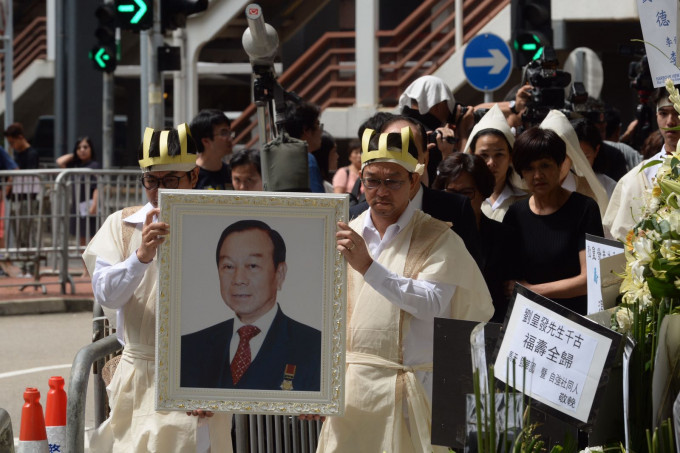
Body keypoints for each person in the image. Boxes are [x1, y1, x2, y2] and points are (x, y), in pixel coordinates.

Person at [316, 125, 493, 452]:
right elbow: (322, 313)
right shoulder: (344, 233)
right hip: (350, 395)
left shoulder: (440, 237)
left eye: (393, 181)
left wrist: (369, 267)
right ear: (360, 178)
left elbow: (433, 304)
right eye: (372, 180)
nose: (381, 191)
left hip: (411, 392)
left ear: (414, 181)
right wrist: (315, 383)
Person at [82, 124, 232, 453]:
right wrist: (141, 257)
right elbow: (106, 294)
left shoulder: (221, 224)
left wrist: (216, 380)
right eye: (151, 180)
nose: (158, 190)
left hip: (197, 375)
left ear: (193, 177)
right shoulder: (121, 225)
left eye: (169, 180)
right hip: (138, 373)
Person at [180, 220, 321, 390]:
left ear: (280, 273)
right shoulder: (190, 348)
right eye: (228, 266)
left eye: (252, 266)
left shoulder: (315, 347)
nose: (239, 279)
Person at [350, 114, 483, 268]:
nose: (382, 192)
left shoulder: (454, 210)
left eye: (408, 149)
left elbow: (470, 273)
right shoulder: (351, 219)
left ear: (424, 159)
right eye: (390, 145)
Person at [502, 127, 604, 316]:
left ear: (561, 165)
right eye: (529, 168)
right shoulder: (515, 215)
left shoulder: (584, 209)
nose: (538, 175)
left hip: (575, 321)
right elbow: (510, 284)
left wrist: (533, 291)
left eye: (545, 165)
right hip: (529, 319)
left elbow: (590, 280)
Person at [432, 153, 516, 322]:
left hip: (489, 325)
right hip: (441, 324)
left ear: (483, 192)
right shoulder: (432, 234)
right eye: (451, 192)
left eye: (467, 193)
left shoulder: (502, 236)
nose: (458, 200)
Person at [604, 86, 680, 241]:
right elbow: (619, 236)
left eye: (678, 113)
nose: (671, 121)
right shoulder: (638, 177)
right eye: (663, 113)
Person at [539, 110, 610, 217]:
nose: (555, 165)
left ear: (572, 156)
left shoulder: (591, 195)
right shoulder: (526, 191)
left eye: (562, 157)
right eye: (547, 159)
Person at [398, 75, 467, 184]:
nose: (450, 112)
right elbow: (458, 178)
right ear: (437, 105)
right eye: (447, 105)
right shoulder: (434, 138)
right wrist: (463, 133)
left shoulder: (395, 125)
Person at [464, 104, 527, 221]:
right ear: (471, 155)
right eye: (483, 155)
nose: (491, 163)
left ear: (510, 157)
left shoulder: (528, 201)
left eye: (499, 154)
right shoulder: (461, 199)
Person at [4, 122, 40, 276]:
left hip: (27, 199)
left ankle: (31, 266)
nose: (12, 147)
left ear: (20, 138)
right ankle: (24, 266)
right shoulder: (17, 154)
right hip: (15, 199)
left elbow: (24, 176)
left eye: (12, 143)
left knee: (27, 233)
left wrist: (11, 182)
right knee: (18, 234)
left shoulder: (32, 154)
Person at [57, 136, 101, 246]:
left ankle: (92, 264)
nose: (82, 150)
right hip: (77, 208)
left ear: (91, 149)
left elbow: (97, 186)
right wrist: (75, 154)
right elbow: (60, 161)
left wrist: (94, 205)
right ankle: (85, 264)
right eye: (79, 148)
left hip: (89, 207)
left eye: (85, 147)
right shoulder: (75, 165)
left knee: (92, 241)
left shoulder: (94, 166)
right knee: (81, 241)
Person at [280, 100, 325, 192]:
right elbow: (319, 202)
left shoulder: (280, 157)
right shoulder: (307, 159)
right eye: (318, 124)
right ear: (306, 130)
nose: (321, 131)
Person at [571, 118, 617, 198]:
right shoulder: (555, 185)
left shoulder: (610, 187)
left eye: (586, 157)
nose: (579, 164)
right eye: (574, 157)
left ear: (596, 151)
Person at [190, 109, 233, 190]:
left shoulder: (231, 173)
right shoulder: (190, 176)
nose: (230, 138)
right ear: (206, 141)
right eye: (224, 133)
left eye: (229, 132)